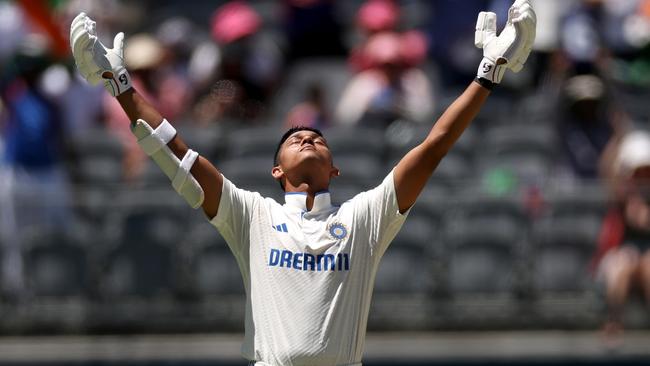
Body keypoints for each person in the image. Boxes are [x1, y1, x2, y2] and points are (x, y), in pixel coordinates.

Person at [69, 1, 536, 364]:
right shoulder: (254, 215)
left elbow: (434, 145)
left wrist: (488, 73)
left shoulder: (364, 217)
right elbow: (179, 156)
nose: (308, 138)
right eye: (295, 140)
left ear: (335, 169)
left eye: (317, 138)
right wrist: (119, 84)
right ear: (277, 171)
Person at [593, 130, 650, 341]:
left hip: (646, 259)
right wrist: (616, 138)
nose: (643, 177)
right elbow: (606, 170)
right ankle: (613, 321)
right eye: (639, 171)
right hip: (625, 255)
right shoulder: (622, 195)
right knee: (623, 263)